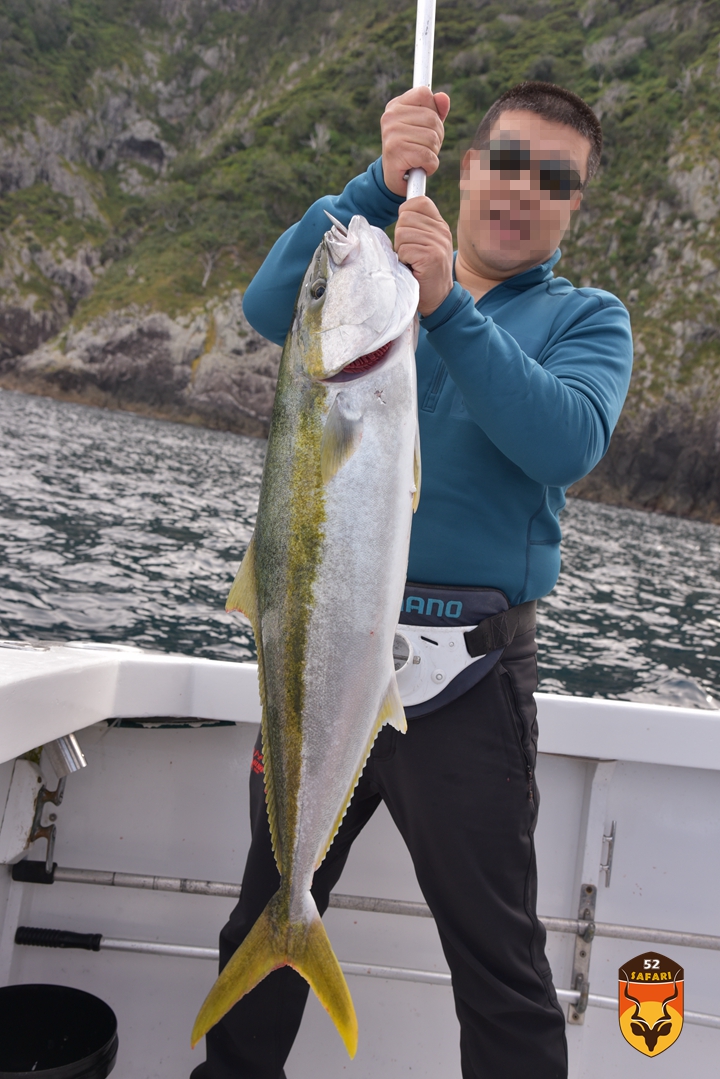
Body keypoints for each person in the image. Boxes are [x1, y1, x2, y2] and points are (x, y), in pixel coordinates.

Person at [191, 81, 633, 1079]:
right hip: (318, 647)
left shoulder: (586, 320)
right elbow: (272, 306)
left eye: (555, 179)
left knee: (500, 964)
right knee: (261, 922)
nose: (524, 190)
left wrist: (452, 308)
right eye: (507, 161)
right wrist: (377, 186)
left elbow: (563, 439)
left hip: (469, 682)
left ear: (575, 207)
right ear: (467, 167)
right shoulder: (372, 281)